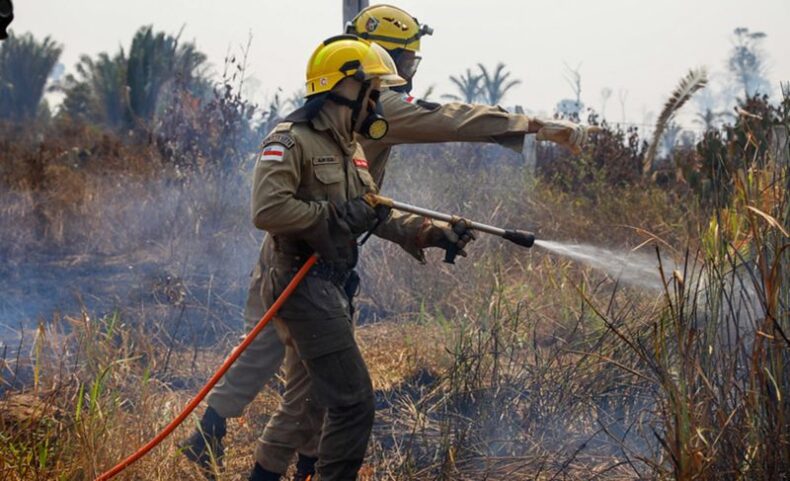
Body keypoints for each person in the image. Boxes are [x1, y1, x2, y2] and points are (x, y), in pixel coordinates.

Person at [181, 5, 592, 480]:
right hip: (297, 262)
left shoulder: (351, 137)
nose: (398, 81)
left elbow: (374, 207)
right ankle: (247, 447)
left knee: (304, 380)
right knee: (316, 385)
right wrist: (533, 125)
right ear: (357, 82)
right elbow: (449, 119)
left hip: (327, 266)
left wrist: (425, 232)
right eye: (399, 66)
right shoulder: (342, 121)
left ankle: (245, 445)